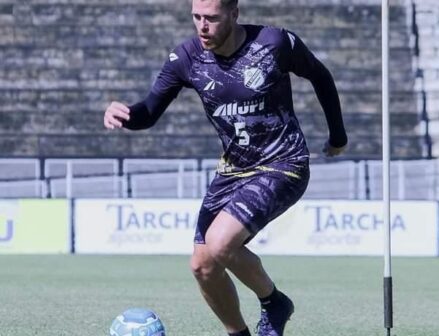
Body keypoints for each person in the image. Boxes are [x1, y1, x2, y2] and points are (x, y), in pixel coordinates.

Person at [103, 0, 347, 335]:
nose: (202, 26)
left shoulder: (273, 44)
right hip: (233, 171)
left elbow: (320, 76)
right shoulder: (185, 58)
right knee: (203, 266)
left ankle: (274, 302)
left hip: (283, 163)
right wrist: (127, 115)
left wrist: (337, 136)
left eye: (212, 18)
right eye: (197, 17)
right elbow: (149, 111)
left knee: (220, 244)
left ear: (234, 14)